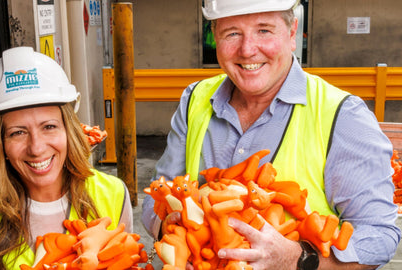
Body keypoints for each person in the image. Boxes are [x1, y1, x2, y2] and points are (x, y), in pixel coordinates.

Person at [142, 0, 401, 269]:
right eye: (232, 33)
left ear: (292, 34)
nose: (247, 50)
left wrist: (299, 259)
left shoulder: (343, 116)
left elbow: (379, 238)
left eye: (264, 30)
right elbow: (157, 194)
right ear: (215, 38)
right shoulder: (195, 99)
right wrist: (168, 226)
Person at [0, 46, 133, 269]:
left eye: (49, 127)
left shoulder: (112, 194)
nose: (36, 148)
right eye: (17, 132)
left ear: (69, 131)